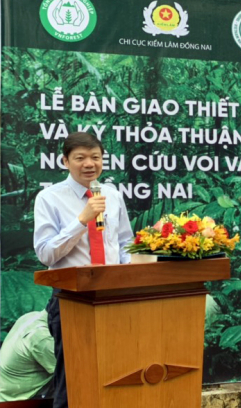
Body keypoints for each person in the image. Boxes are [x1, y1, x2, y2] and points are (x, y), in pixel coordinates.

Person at [33, 132, 134, 408]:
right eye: (80, 158)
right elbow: (45, 253)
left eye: (96, 157)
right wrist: (82, 220)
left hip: (115, 296)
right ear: (65, 161)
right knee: (74, 378)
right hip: (70, 299)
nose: (89, 164)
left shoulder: (112, 194)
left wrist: (130, 276)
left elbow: (125, 242)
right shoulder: (49, 198)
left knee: (117, 373)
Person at [0, 311, 55, 402]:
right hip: (14, 401)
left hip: (6, 391)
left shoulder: (31, 316)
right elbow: (71, 373)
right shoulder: (42, 338)